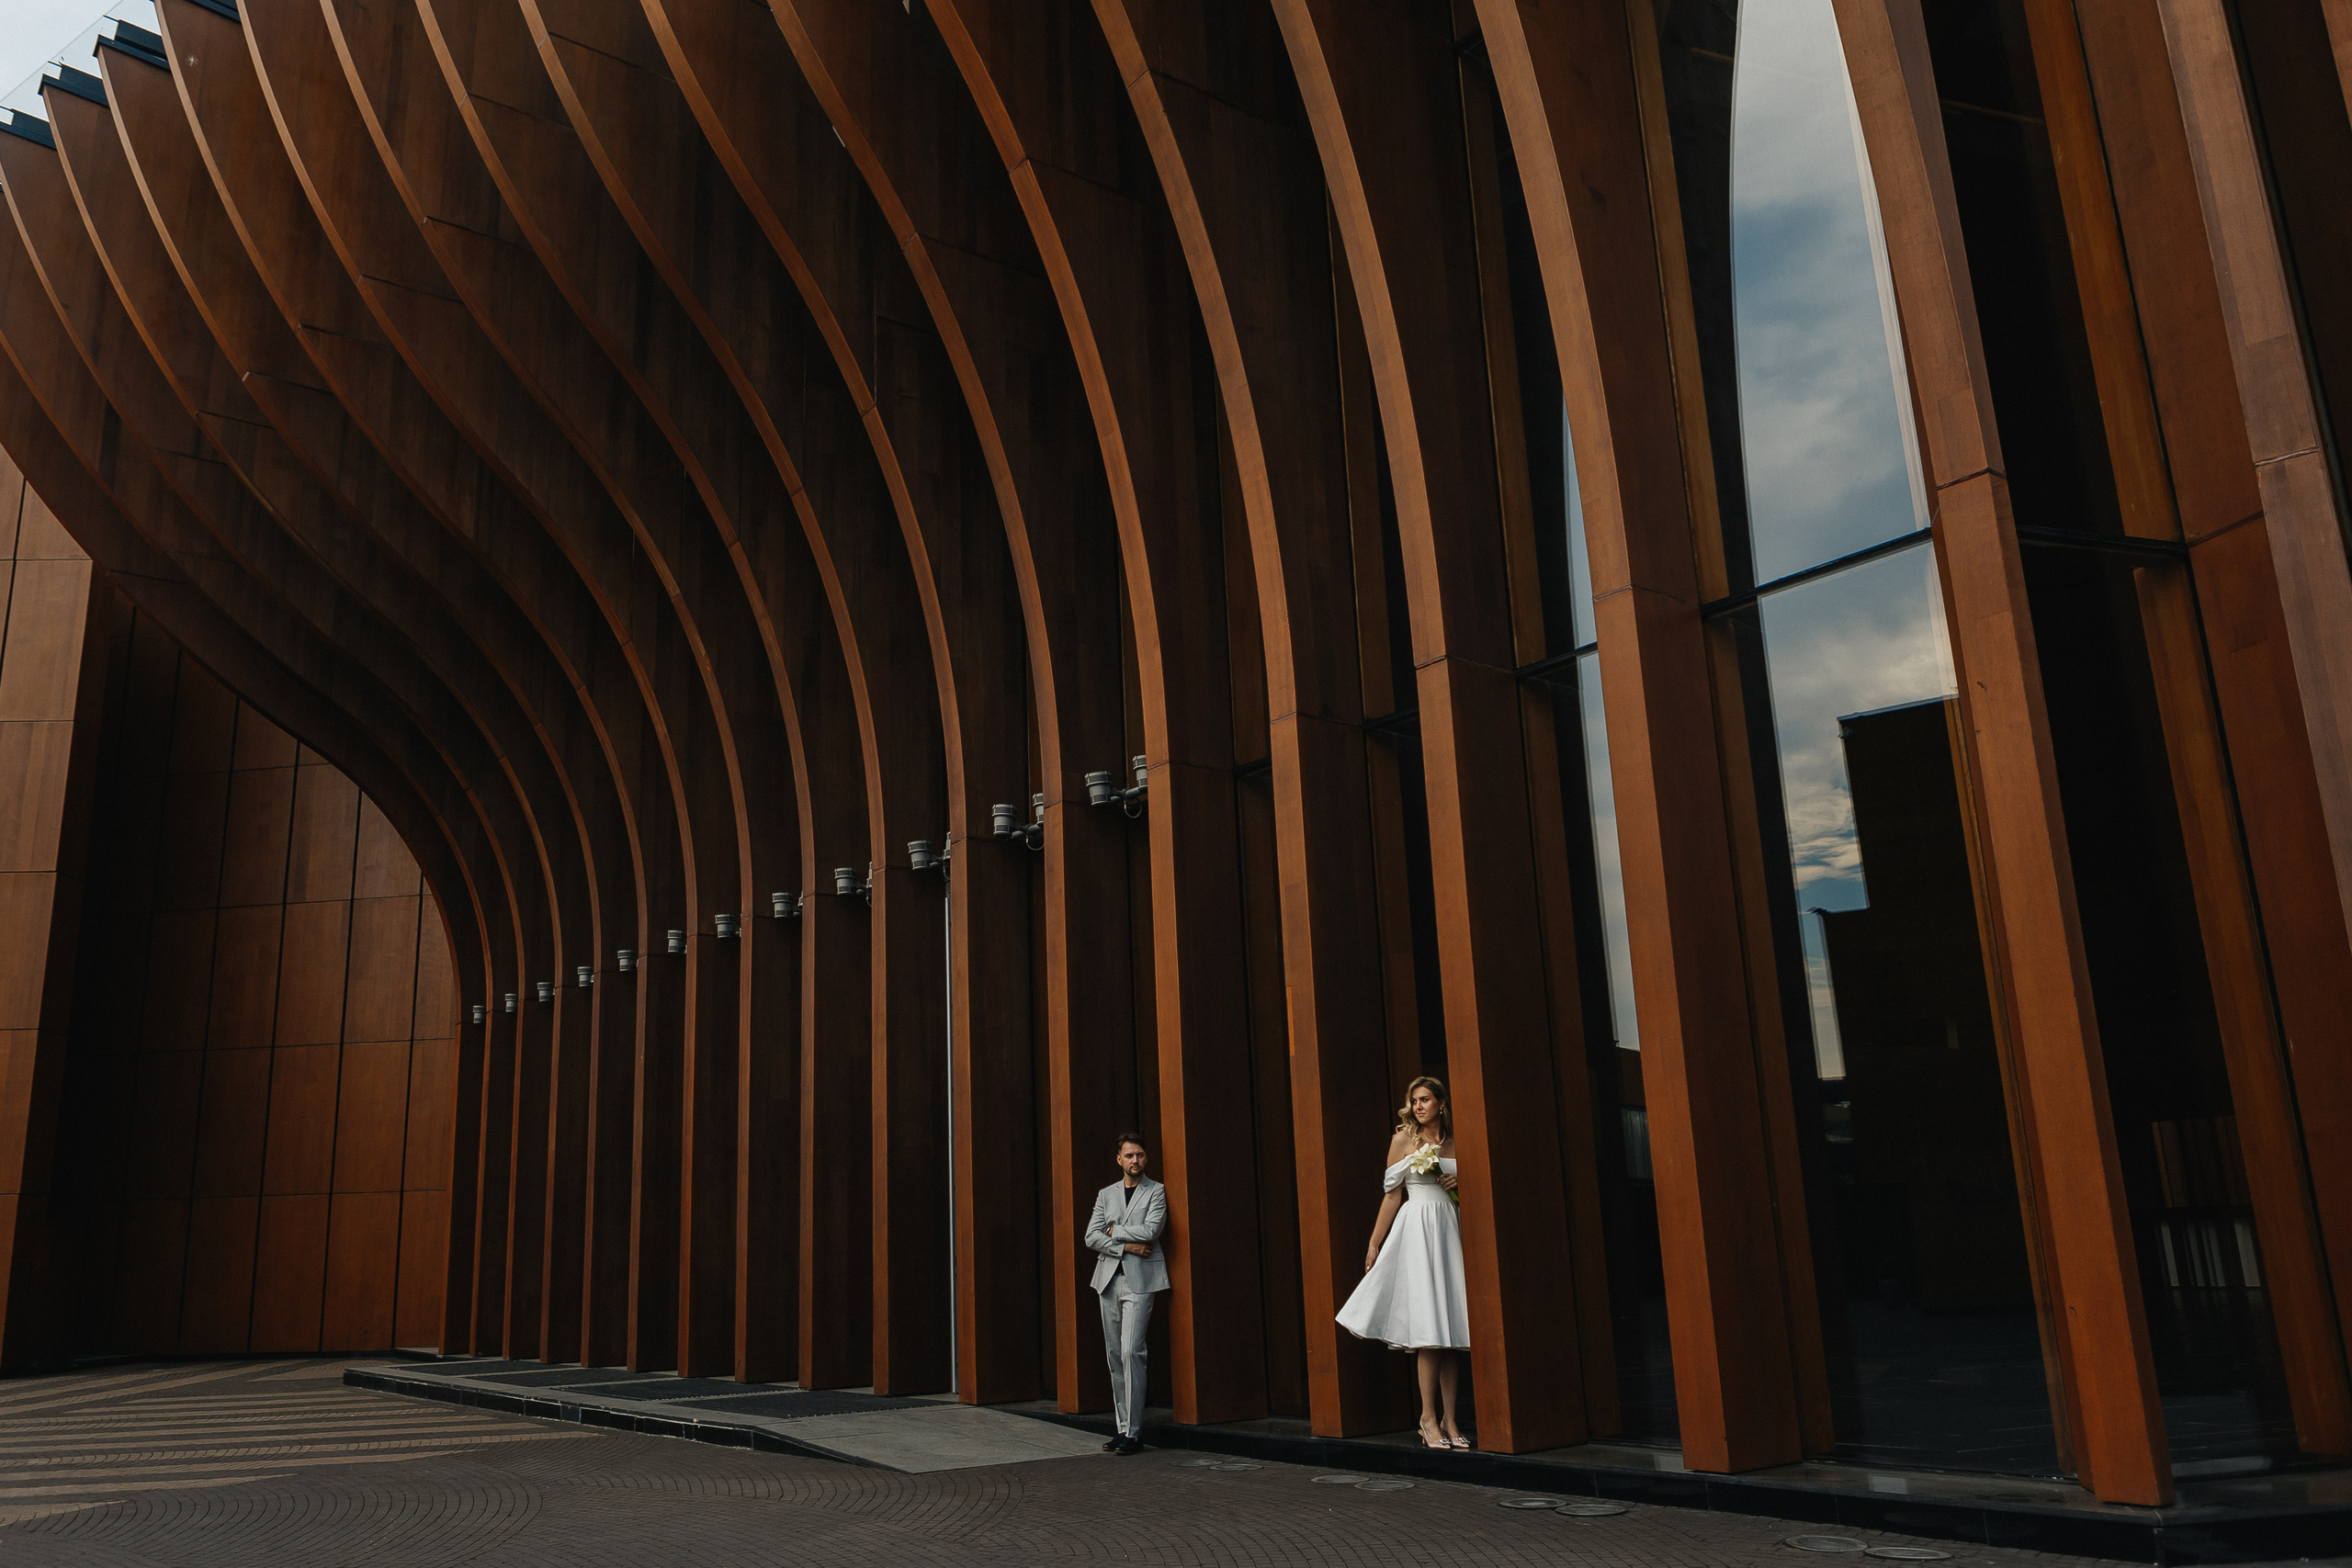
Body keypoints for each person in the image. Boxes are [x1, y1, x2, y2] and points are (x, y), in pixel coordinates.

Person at [1335, 1076, 1471, 1450]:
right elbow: (1392, 1197)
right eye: (1414, 1101)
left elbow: (1473, 1193)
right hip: (1417, 1231)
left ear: (1442, 1103)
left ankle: (1450, 1418)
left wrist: (1458, 1186)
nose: (1418, 1107)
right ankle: (1427, 1418)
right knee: (1429, 1328)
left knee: (1452, 1332)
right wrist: (1374, 1242)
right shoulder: (1403, 1141)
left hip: (1449, 1231)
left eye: (1426, 1099)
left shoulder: (1460, 1142)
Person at [1084, 1131, 1167, 1455]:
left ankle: (1134, 1433)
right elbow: (1091, 1236)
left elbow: (1151, 1230)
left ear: (1146, 1158)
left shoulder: (1156, 1191)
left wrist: (1113, 1231)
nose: (1135, 1161)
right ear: (1119, 1160)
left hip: (1140, 1283)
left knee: (1133, 1352)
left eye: (1140, 1155)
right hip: (1108, 1282)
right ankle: (1122, 1430)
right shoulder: (1106, 1195)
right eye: (1129, 1156)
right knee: (1115, 1355)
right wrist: (1128, 1245)